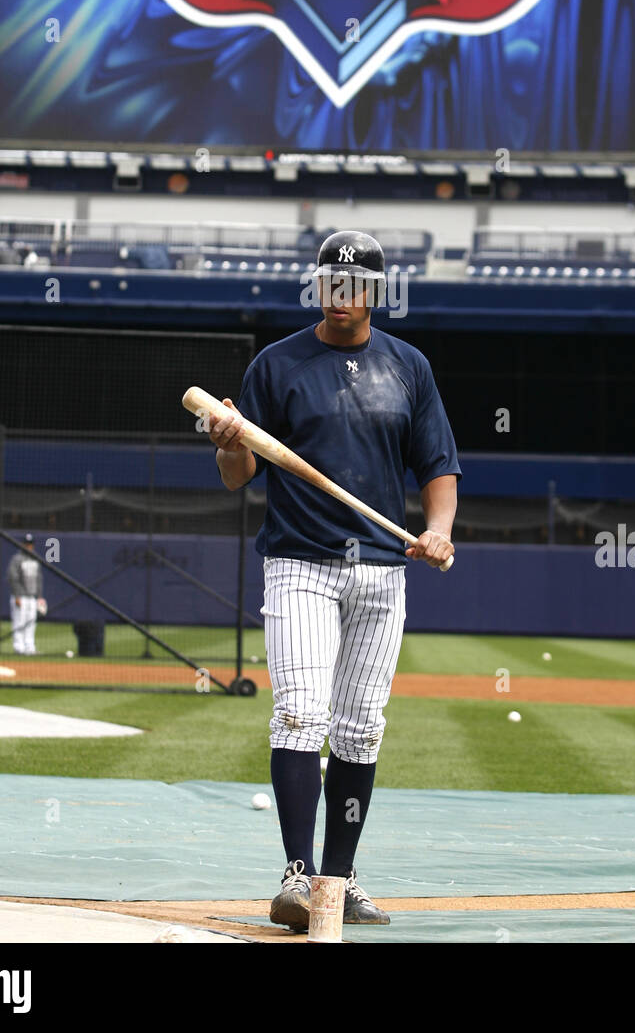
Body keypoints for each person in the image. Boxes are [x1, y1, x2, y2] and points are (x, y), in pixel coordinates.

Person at [208, 230, 460, 931]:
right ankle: (295, 875)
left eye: (354, 284)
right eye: (330, 281)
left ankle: (337, 879)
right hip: (299, 561)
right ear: (316, 285)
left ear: (376, 291)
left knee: (360, 730)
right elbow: (240, 477)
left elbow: (437, 465)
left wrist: (437, 528)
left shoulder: (408, 367)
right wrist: (228, 446)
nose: (341, 294)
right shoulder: (277, 364)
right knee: (298, 712)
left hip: (382, 569)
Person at [7, 534, 44, 655]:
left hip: (32, 597)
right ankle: (19, 647)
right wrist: (17, 595)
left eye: (30, 544)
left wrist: (39, 596)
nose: (28, 546)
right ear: (22, 544)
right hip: (21, 596)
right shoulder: (17, 559)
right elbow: (13, 578)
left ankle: (30, 647)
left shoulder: (35, 559)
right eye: (26, 544)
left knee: (31, 622)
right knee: (19, 622)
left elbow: (39, 578)